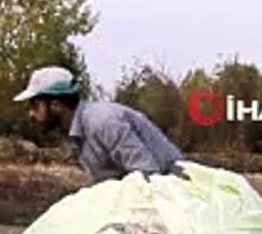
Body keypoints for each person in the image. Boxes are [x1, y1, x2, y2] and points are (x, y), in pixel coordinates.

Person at [14, 65, 184, 185]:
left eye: (35, 106)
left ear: (56, 105)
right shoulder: (75, 133)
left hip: (177, 189)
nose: (31, 114)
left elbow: (148, 176)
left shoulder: (103, 123)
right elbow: (104, 180)